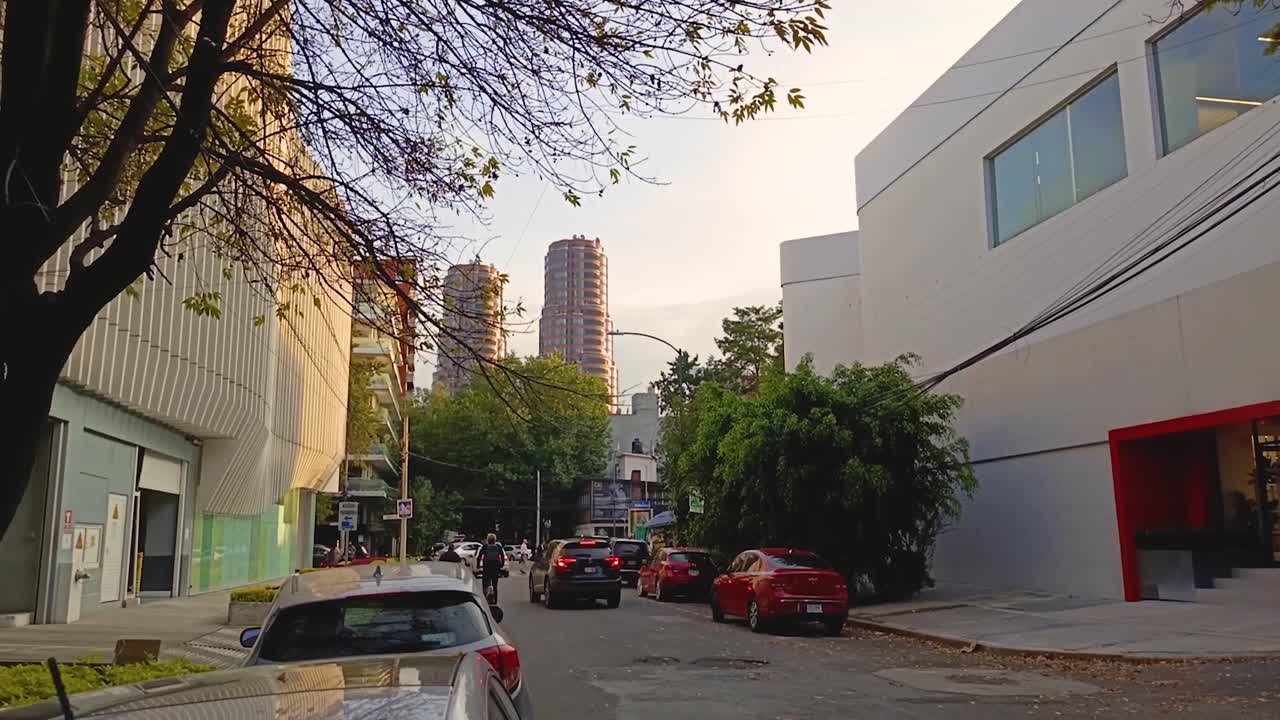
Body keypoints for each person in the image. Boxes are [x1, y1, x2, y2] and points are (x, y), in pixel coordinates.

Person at [476, 532, 506, 603]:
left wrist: (478, 566)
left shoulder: (485, 547)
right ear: (495, 540)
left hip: (487, 567)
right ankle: (495, 601)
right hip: (496, 567)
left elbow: (479, 557)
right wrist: (501, 564)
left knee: (485, 583)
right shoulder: (498, 547)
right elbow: (502, 556)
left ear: (488, 540)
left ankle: (485, 598)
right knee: (495, 584)